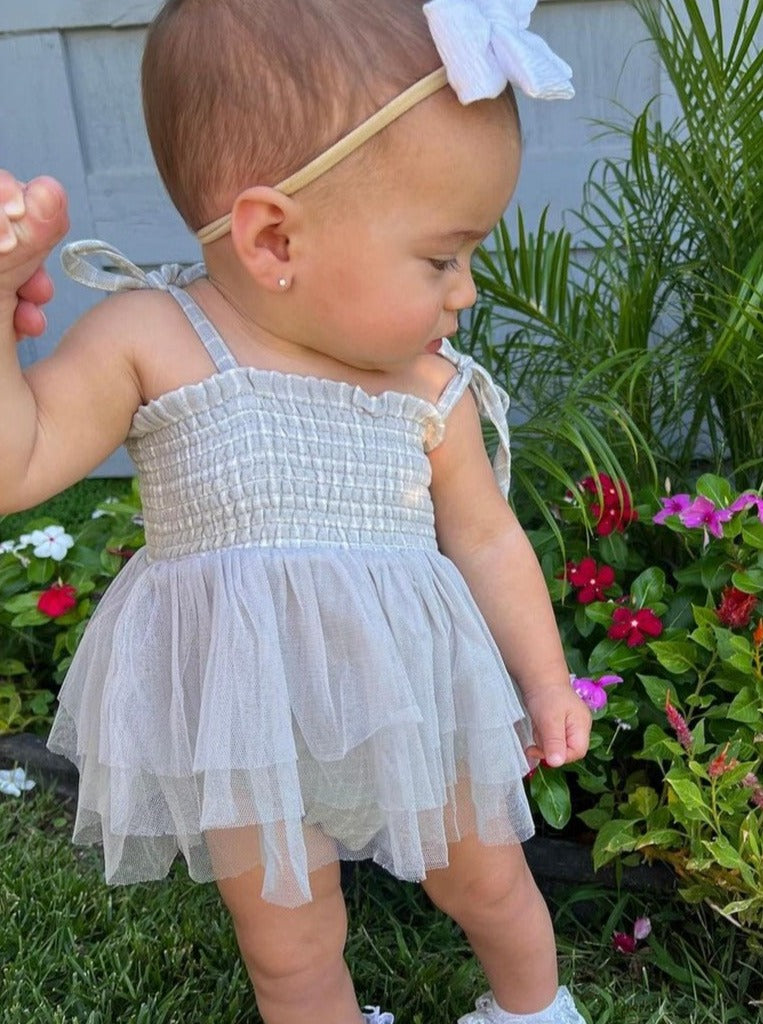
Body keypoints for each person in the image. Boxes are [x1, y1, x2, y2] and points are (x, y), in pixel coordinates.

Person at [0, 1, 593, 1021]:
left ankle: (533, 1007)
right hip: (243, 721)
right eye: (442, 257)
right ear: (274, 235)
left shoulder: (427, 387)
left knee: (485, 876)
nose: (467, 292)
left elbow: (487, 537)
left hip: (415, 698)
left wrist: (545, 682)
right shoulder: (153, 335)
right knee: (289, 938)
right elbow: (20, 465)